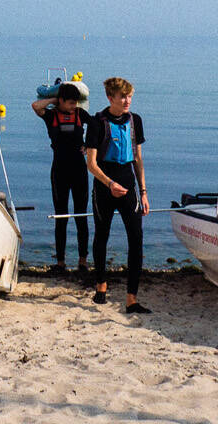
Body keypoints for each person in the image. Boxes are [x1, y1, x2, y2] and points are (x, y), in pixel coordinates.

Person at [83, 76, 149, 313]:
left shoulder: (135, 121)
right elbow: (91, 163)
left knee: (136, 238)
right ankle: (101, 284)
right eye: (122, 96)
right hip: (104, 184)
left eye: (129, 96)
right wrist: (109, 183)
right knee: (102, 235)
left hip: (128, 184)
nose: (127, 100)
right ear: (111, 98)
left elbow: (138, 159)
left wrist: (143, 191)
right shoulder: (97, 122)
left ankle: (132, 297)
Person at [31, 81, 91, 274]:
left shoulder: (81, 114)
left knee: (81, 216)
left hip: (79, 170)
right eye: (71, 103)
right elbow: (35, 106)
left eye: (76, 102)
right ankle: (61, 263)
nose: (75, 106)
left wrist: (89, 146)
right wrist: (55, 99)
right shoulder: (51, 115)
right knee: (61, 216)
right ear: (62, 101)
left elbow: (99, 127)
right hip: (59, 171)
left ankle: (82, 261)